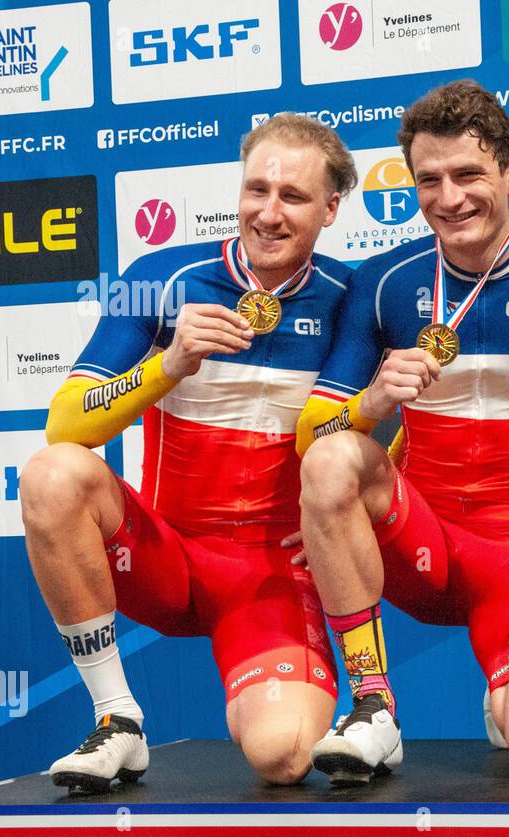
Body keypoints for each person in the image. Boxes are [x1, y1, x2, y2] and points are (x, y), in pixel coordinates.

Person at [292, 79, 509, 781]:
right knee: (329, 462)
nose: (449, 198)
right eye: (429, 179)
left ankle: (506, 685)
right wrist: (376, 400)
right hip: (419, 536)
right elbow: (312, 438)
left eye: (469, 174)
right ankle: (372, 705)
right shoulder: (383, 283)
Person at [21, 114, 358, 791]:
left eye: (292, 196)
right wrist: (168, 363)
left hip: (270, 576)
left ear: (330, 208)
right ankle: (117, 719)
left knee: (285, 754)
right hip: (164, 558)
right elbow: (64, 423)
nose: (267, 212)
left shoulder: (353, 298)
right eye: (255, 189)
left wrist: (340, 522)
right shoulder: (162, 277)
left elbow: (396, 422)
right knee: (52, 474)